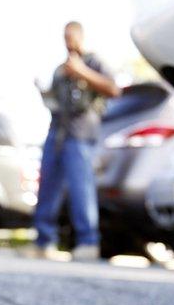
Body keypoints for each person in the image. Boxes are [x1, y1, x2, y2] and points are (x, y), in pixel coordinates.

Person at [32, 22, 121, 261]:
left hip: (82, 133)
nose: (68, 41)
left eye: (72, 37)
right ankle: (44, 241)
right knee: (47, 186)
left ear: (81, 37)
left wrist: (81, 71)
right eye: (65, 37)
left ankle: (87, 242)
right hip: (57, 131)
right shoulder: (61, 70)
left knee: (81, 189)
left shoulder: (93, 62)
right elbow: (54, 101)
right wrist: (43, 92)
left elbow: (114, 89)